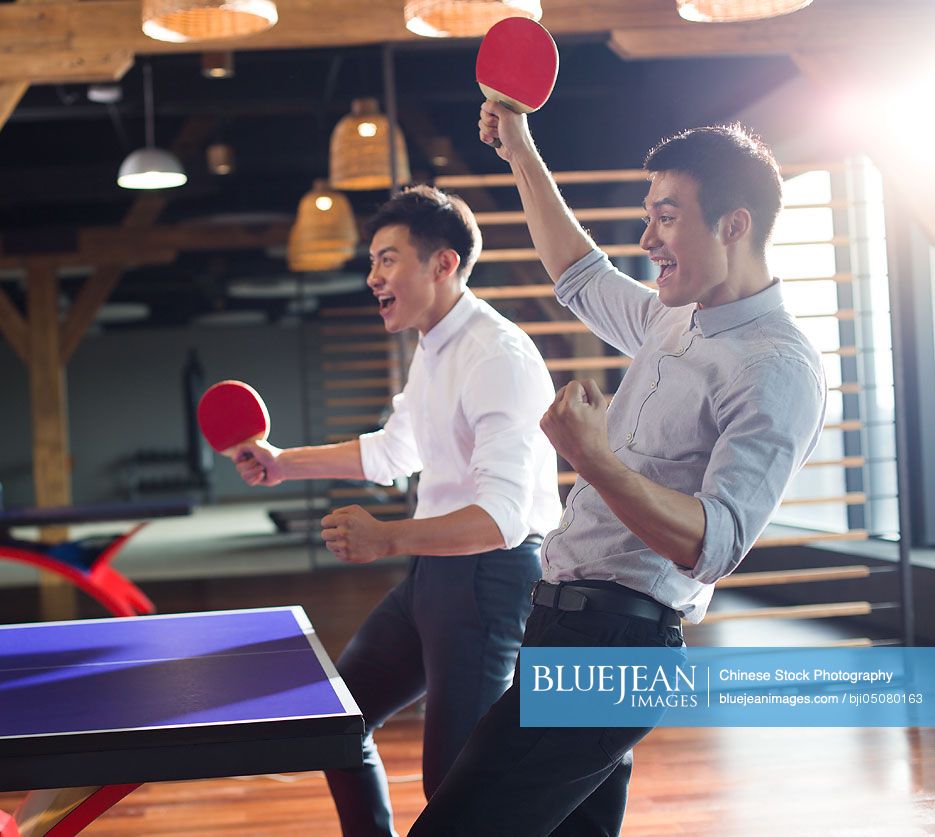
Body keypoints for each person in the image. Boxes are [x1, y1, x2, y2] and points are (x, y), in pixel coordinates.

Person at [405, 108, 828, 837]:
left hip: (616, 647)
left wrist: (592, 457)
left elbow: (714, 543)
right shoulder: (676, 316)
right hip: (563, 626)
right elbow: (578, 271)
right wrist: (519, 148)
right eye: (646, 216)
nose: (646, 239)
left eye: (665, 218)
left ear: (731, 225)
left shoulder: (776, 369)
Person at [229, 184, 561, 836]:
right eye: (373, 260)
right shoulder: (432, 346)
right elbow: (393, 450)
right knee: (334, 723)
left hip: (490, 576)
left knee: (455, 787)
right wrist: (281, 462)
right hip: (435, 574)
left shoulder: (496, 356)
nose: (371, 275)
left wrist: (385, 537)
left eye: (387, 258)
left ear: (442, 264)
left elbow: (501, 517)